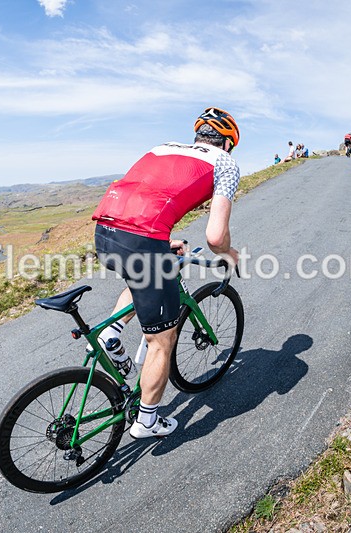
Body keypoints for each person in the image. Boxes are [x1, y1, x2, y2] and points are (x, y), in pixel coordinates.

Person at [92, 106, 241, 439]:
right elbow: (215, 237)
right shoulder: (225, 163)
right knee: (162, 340)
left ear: (199, 136)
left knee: (142, 275)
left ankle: (111, 331)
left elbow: (144, 196)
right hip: (141, 242)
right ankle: (147, 421)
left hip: (105, 232)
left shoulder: (161, 147)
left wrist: (162, 241)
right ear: (229, 143)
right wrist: (228, 253)